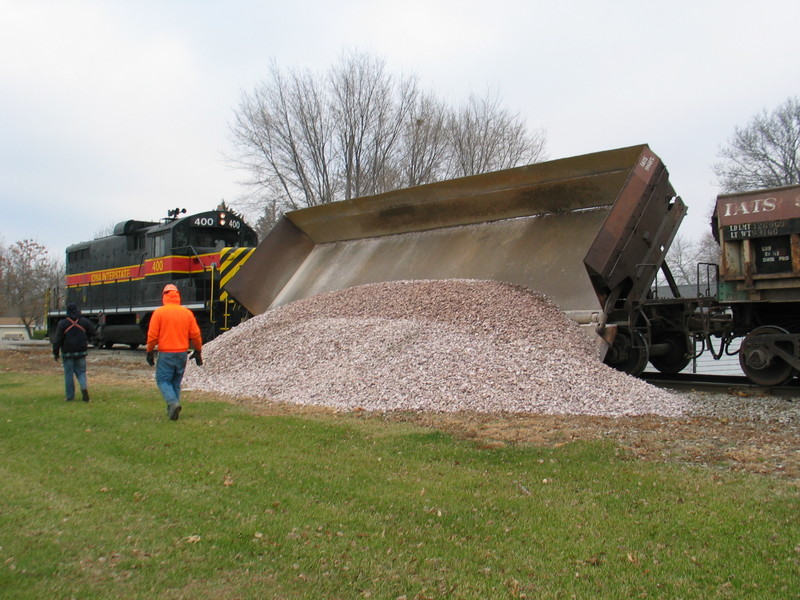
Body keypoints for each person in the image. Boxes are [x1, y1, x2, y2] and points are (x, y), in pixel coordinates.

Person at [146, 283, 203, 420]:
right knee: (176, 383)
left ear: (164, 296)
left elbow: (153, 336)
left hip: (166, 354)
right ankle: (172, 412)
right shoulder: (187, 313)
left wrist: (149, 351)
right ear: (178, 296)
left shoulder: (159, 313)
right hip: (182, 354)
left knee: (162, 380)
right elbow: (196, 334)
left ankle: (173, 403)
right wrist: (198, 351)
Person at [53, 302, 97, 402]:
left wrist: (55, 352)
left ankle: (70, 396)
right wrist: (87, 339)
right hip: (81, 352)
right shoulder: (84, 321)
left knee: (68, 374)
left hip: (67, 353)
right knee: (81, 373)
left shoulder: (63, 323)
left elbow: (58, 339)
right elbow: (93, 332)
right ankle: (84, 388)